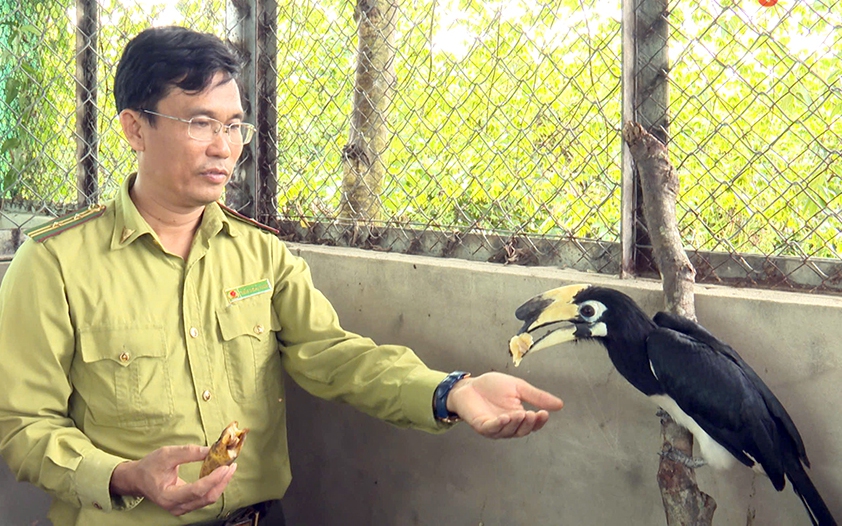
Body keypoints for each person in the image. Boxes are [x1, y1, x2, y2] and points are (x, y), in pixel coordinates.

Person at [0, 26, 563, 526]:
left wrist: (451, 390)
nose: (224, 148)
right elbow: (23, 425)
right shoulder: (54, 265)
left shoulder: (261, 254)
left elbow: (336, 357)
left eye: (234, 126)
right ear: (135, 128)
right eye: (199, 123)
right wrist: (124, 475)